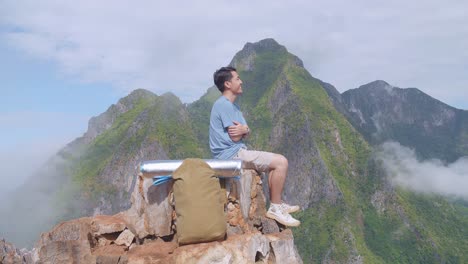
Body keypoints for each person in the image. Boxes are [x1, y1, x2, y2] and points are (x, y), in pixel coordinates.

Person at [209, 66, 300, 227]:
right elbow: (235, 135)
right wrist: (244, 130)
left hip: (236, 151)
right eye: (237, 78)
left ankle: (276, 204)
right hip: (230, 155)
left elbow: (245, 130)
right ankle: (276, 208)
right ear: (228, 84)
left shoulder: (233, 107)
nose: (241, 81)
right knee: (281, 162)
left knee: (275, 165)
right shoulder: (223, 105)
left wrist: (245, 130)